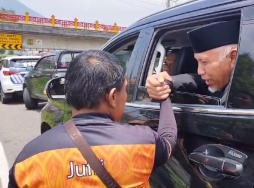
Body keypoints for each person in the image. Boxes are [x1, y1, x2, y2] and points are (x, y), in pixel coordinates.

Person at [8, 50, 177, 188]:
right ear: (112, 96)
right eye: (125, 90)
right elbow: (168, 137)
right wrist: (163, 97)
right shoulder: (143, 142)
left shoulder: (28, 158)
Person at [146, 20, 240, 104]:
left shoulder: (247, 90)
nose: (199, 71)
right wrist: (165, 82)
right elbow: (193, 80)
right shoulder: (210, 82)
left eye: (204, 62)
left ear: (233, 57)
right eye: (197, 62)